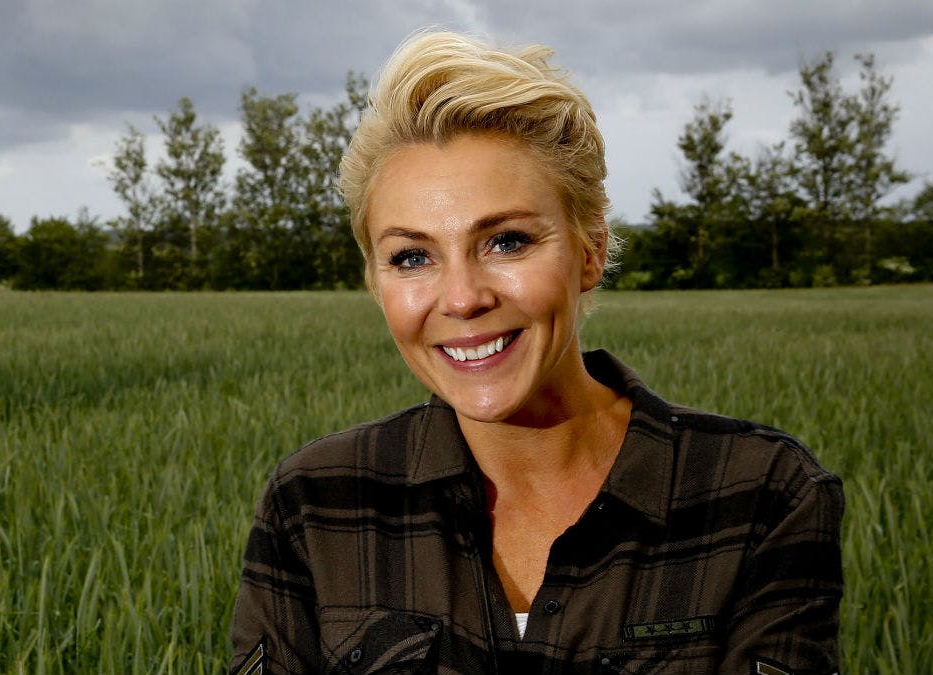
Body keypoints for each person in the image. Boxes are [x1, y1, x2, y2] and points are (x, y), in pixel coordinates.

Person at [230, 30, 843, 675]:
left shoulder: (760, 494)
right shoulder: (315, 503)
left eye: (508, 242)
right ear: (375, 282)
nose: (462, 298)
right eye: (412, 257)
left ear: (590, 252)